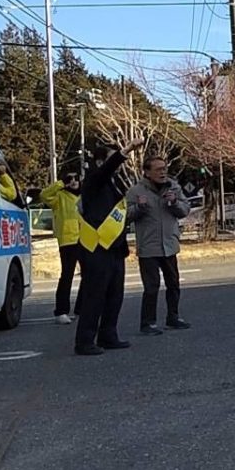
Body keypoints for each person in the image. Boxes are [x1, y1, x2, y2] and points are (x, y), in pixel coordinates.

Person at [75, 136, 144, 356]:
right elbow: (106, 170)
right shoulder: (93, 180)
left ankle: (108, 334)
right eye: (111, 159)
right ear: (99, 162)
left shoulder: (112, 184)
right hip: (96, 247)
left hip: (114, 246)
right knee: (94, 296)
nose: (117, 165)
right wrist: (127, 150)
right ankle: (85, 341)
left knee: (115, 294)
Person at [127, 156, 192, 335]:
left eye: (164, 168)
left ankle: (173, 317)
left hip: (169, 244)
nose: (163, 172)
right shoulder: (135, 191)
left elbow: (185, 210)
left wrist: (174, 202)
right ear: (147, 172)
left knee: (173, 283)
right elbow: (125, 215)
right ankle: (148, 323)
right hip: (148, 246)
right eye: (158, 169)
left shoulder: (174, 187)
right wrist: (139, 207)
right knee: (151, 287)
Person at [41, 170, 84, 324]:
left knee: (89, 275)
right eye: (69, 178)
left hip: (86, 239)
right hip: (67, 240)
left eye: (76, 178)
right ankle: (61, 311)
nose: (73, 181)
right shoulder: (59, 197)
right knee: (67, 275)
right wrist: (60, 183)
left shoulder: (84, 195)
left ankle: (81, 308)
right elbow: (44, 195)